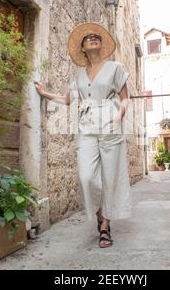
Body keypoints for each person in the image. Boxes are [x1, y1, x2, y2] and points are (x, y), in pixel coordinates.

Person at [34, 22, 132, 248]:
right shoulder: (78, 74)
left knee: (110, 176)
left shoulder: (115, 68)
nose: (92, 38)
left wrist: (119, 115)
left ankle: (105, 226)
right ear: (83, 48)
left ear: (101, 43)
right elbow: (68, 100)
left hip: (109, 121)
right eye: (88, 37)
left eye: (96, 36)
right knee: (87, 177)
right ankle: (99, 216)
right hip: (86, 125)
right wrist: (44, 93)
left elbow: (126, 97)